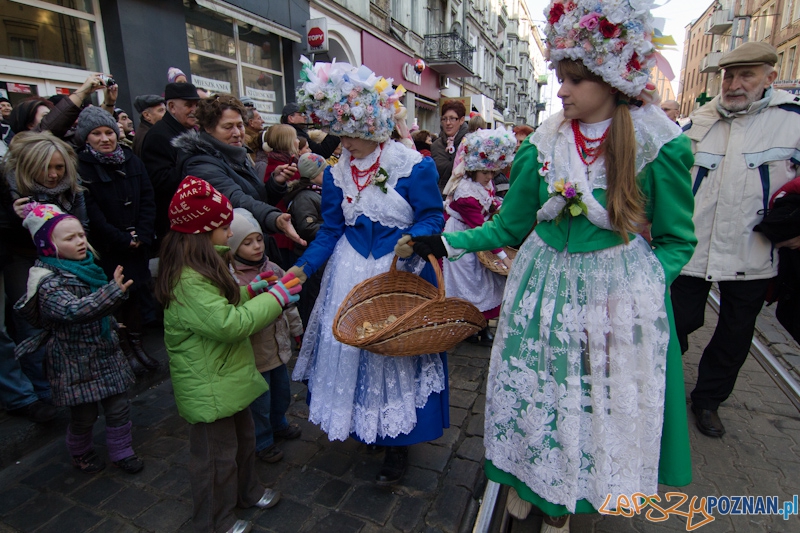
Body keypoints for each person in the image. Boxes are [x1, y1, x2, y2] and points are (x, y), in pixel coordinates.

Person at [403, 0, 697, 529]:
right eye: (561, 77)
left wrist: (641, 289)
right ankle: (534, 480)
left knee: (592, 394)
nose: (561, 90)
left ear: (610, 78)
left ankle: (577, 490)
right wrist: (444, 243)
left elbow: (677, 239)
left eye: (575, 80)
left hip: (615, 294)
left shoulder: (657, 147)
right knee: (541, 390)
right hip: (544, 288)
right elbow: (510, 227)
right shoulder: (541, 145)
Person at [291, 58, 447, 485]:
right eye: (341, 133)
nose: (345, 143)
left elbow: (434, 217)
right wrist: (302, 270)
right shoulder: (337, 172)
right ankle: (367, 425)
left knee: (393, 356)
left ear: (375, 126)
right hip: (347, 272)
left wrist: (414, 238)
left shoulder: (414, 166)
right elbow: (330, 231)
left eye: (353, 134)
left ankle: (398, 445)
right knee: (355, 353)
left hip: (396, 272)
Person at [672, 41, 800, 439]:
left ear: (769, 78)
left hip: (754, 253)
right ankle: (664, 392)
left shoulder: (793, 123)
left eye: (746, 75)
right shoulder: (697, 124)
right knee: (676, 321)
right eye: (729, 75)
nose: (735, 83)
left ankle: (708, 400)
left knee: (734, 334)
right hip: (694, 248)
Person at [155, 176, 294, 533]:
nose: (228, 232)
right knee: (214, 460)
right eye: (222, 226)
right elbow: (229, 324)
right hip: (209, 388)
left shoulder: (207, 263)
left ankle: (247, 492)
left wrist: (255, 290)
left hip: (228, 379)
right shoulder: (187, 280)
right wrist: (274, 299)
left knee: (244, 443)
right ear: (202, 231)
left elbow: (226, 304)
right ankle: (214, 520)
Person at [15, 203, 143, 474]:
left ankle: (122, 452)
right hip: (74, 362)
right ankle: (81, 452)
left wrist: (109, 322)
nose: (80, 241)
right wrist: (111, 294)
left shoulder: (88, 267)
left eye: (81, 235)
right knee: (84, 415)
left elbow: (94, 306)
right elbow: (72, 311)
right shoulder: (48, 282)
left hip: (103, 353)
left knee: (119, 407)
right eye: (69, 238)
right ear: (48, 245)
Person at [3, 131, 89, 406]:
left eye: (58, 167)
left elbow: (82, 227)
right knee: (30, 323)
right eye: (46, 167)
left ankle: (69, 381)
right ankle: (41, 390)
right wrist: (12, 217)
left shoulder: (72, 188)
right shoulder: (10, 187)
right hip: (22, 259)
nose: (53, 174)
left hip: (64, 262)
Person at [75, 106, 159, 375]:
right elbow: (92, 213)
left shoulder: (131, 160)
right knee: (115, 300)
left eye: (109, 132)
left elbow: (148, 198)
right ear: (86, 138)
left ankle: (137, 344)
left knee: (135, 296)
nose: (104, 138)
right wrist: (122, 238)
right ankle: (123, 351)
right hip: (109, 248)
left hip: (137, 245)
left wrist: (142, 235)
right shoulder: (81, 166)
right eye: (97, 133)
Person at [172, 95, 306, 256]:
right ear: (208, 128)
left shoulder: (236, 154)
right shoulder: (200, 164)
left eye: (240, 126)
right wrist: (273, 218)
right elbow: (236, 200)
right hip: (229, 253)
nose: (237, 133)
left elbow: (257, 198)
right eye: (228, 127)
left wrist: (275, 183)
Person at [229, 208, 304, 464]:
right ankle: (261, 440)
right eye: (247, 242)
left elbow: (290, 303)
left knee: (282, 392)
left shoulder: (273, 267)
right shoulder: (233, 278)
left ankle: (279, 422)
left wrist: (297, 332)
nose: (256, 246)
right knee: (259, 401)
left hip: (278, 346)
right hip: (255, 353)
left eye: (259, 239)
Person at [440, 128, 515, 345]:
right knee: (468, 283)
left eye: (493, 173)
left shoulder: (483, 183)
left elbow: (488, 206)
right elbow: (480, 228)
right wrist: (502, 256)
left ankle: (479, 325)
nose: (490, 177)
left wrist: (497, 207)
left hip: (477, 236)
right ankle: (467, 326)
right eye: (486, 173)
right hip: (461, 238)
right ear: (473, 169)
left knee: (484, 281)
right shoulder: (466, 194)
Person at [140, 82, 201, 246]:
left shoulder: (191, 130)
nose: (194, 110)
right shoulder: (158, 135)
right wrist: (194, 169)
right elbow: (160, 181)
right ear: (172, 107)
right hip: (174, 226)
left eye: (196, 105)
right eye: (189, 105)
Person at [286, 153, 327, 328]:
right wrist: (333, 228)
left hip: (319, 255)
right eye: (324, 171)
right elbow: (306, 227)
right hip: (310, 255)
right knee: (311, 299)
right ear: (314, 175)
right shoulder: (305, 197)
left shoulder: (317, 193)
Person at [263, 124, 301, 269]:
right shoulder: (281, 168)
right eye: (295, 138)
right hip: (282, 232)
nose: (298, 141)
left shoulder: (282, 162)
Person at [431, 100, 469, 191]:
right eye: (444, 119)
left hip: (463, 196)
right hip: (441, 198)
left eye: (452, 118)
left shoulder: (470, 143)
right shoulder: (436, 146)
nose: (448, 123)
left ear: (461, 120)